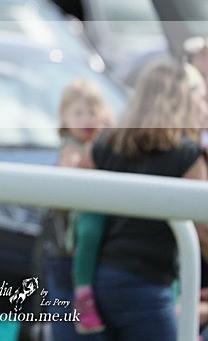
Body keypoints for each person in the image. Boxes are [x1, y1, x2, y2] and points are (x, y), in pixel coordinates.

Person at [90, 59, 208, 340]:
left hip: (99, 281)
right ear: (182, 100)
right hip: (148, 285)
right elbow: (203, 229)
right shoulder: (187, 155)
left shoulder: (106, 146)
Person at [37, 78, 111, 340]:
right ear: (64, 119)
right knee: (90, 230)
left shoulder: (104, 144)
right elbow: (70, 179)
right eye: (78, 113)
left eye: (93, 112)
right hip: (77, 227)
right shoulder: (72, 148)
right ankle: (83, 294)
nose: (86, 119)